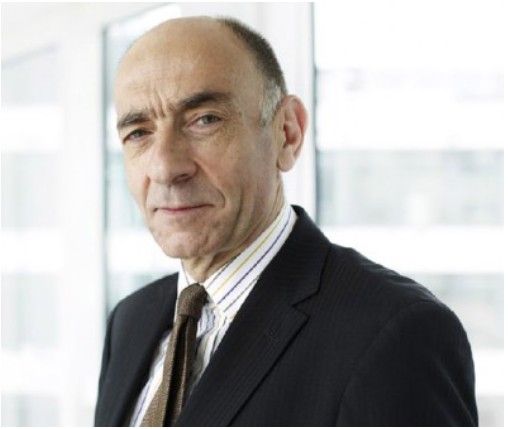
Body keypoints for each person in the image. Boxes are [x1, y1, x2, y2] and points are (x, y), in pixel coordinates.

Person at [94, 16, 478, 427]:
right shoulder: (130, 322)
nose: (166, 167)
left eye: (205, 120)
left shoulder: (394, 334)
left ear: (287, 133)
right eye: (139, 133)